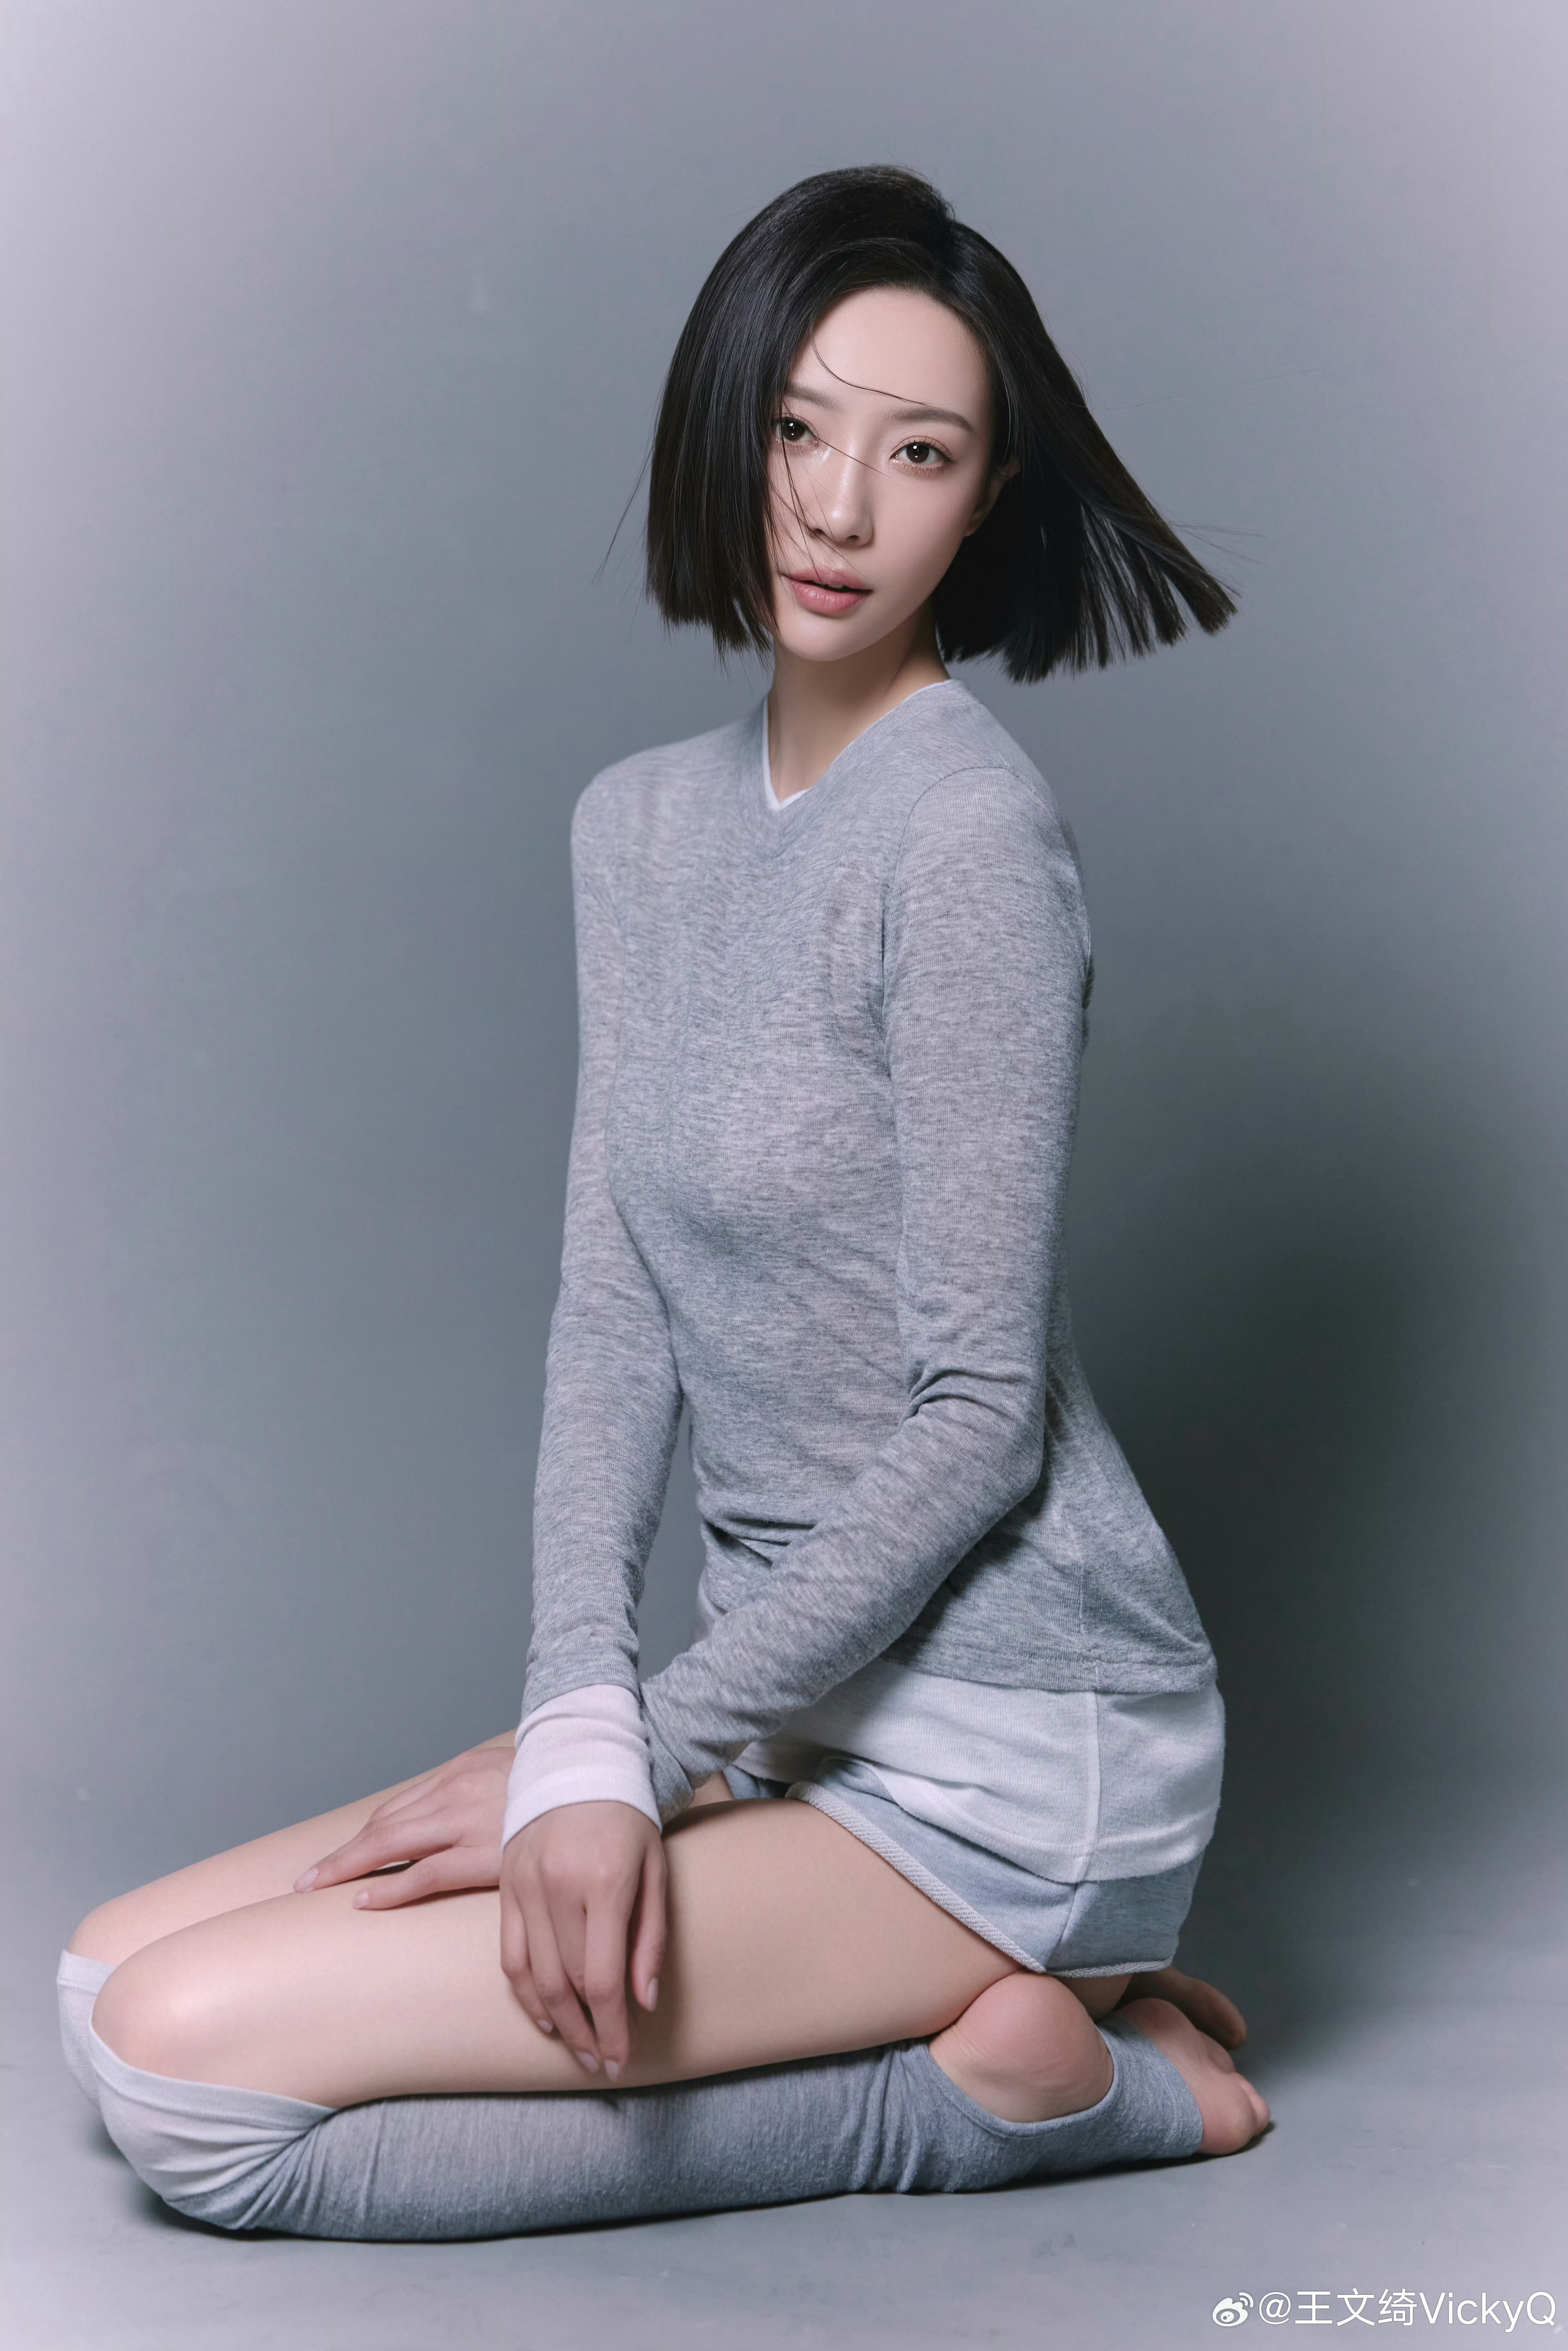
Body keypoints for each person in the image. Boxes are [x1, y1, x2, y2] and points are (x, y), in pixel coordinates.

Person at [60, 165, 1269, 2237]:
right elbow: (615, 1313)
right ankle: (997, 2029)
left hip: (1013, 1731)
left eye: (920, 453)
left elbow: (981, 1416)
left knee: (192, 2090)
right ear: (732, 425)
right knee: (101, 1981)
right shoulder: (637, 832)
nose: (838, 505)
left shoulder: (966, 838)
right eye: (800, 427)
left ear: (985, 499)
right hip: (783, 1708)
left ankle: (1007, 2101)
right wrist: (576, 1727)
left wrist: (655, 1756)